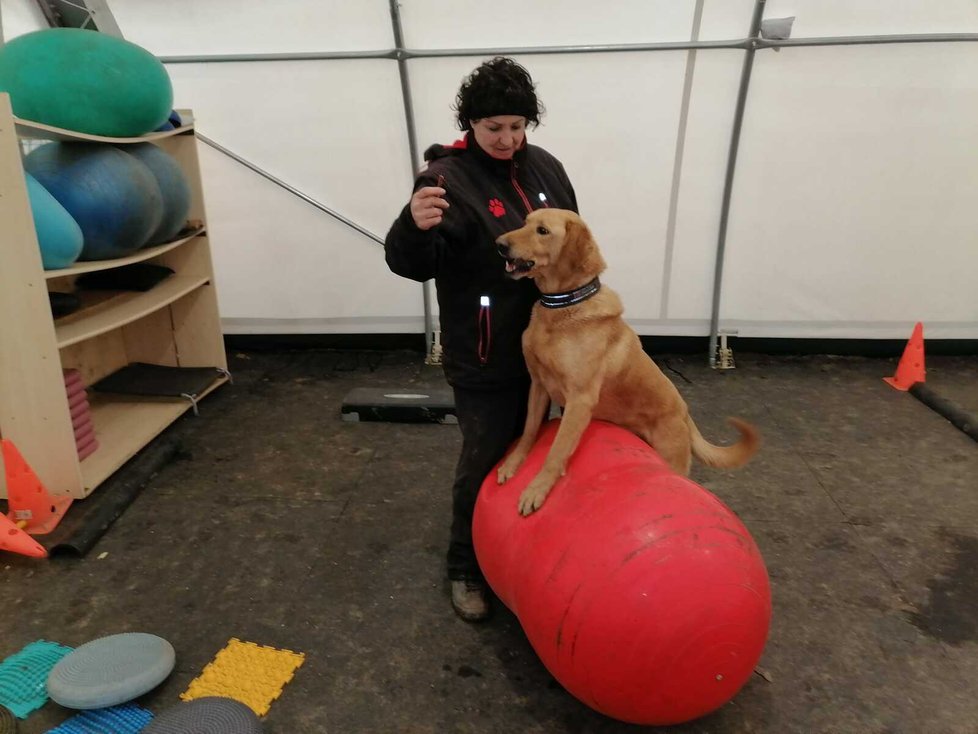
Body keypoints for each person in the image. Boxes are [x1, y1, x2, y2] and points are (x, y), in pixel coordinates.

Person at [384, 57, 579, 622]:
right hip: (488, 350)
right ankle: (464, 567)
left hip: (552, 342)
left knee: (544, 450)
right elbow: (412, 264)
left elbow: (570, 242)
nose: (507, 138)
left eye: (517, 126)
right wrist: (411, 226)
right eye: (494, 127)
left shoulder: (545, 167)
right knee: (487, 456)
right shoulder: (446, 181)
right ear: (471, 123)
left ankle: (523, 551)